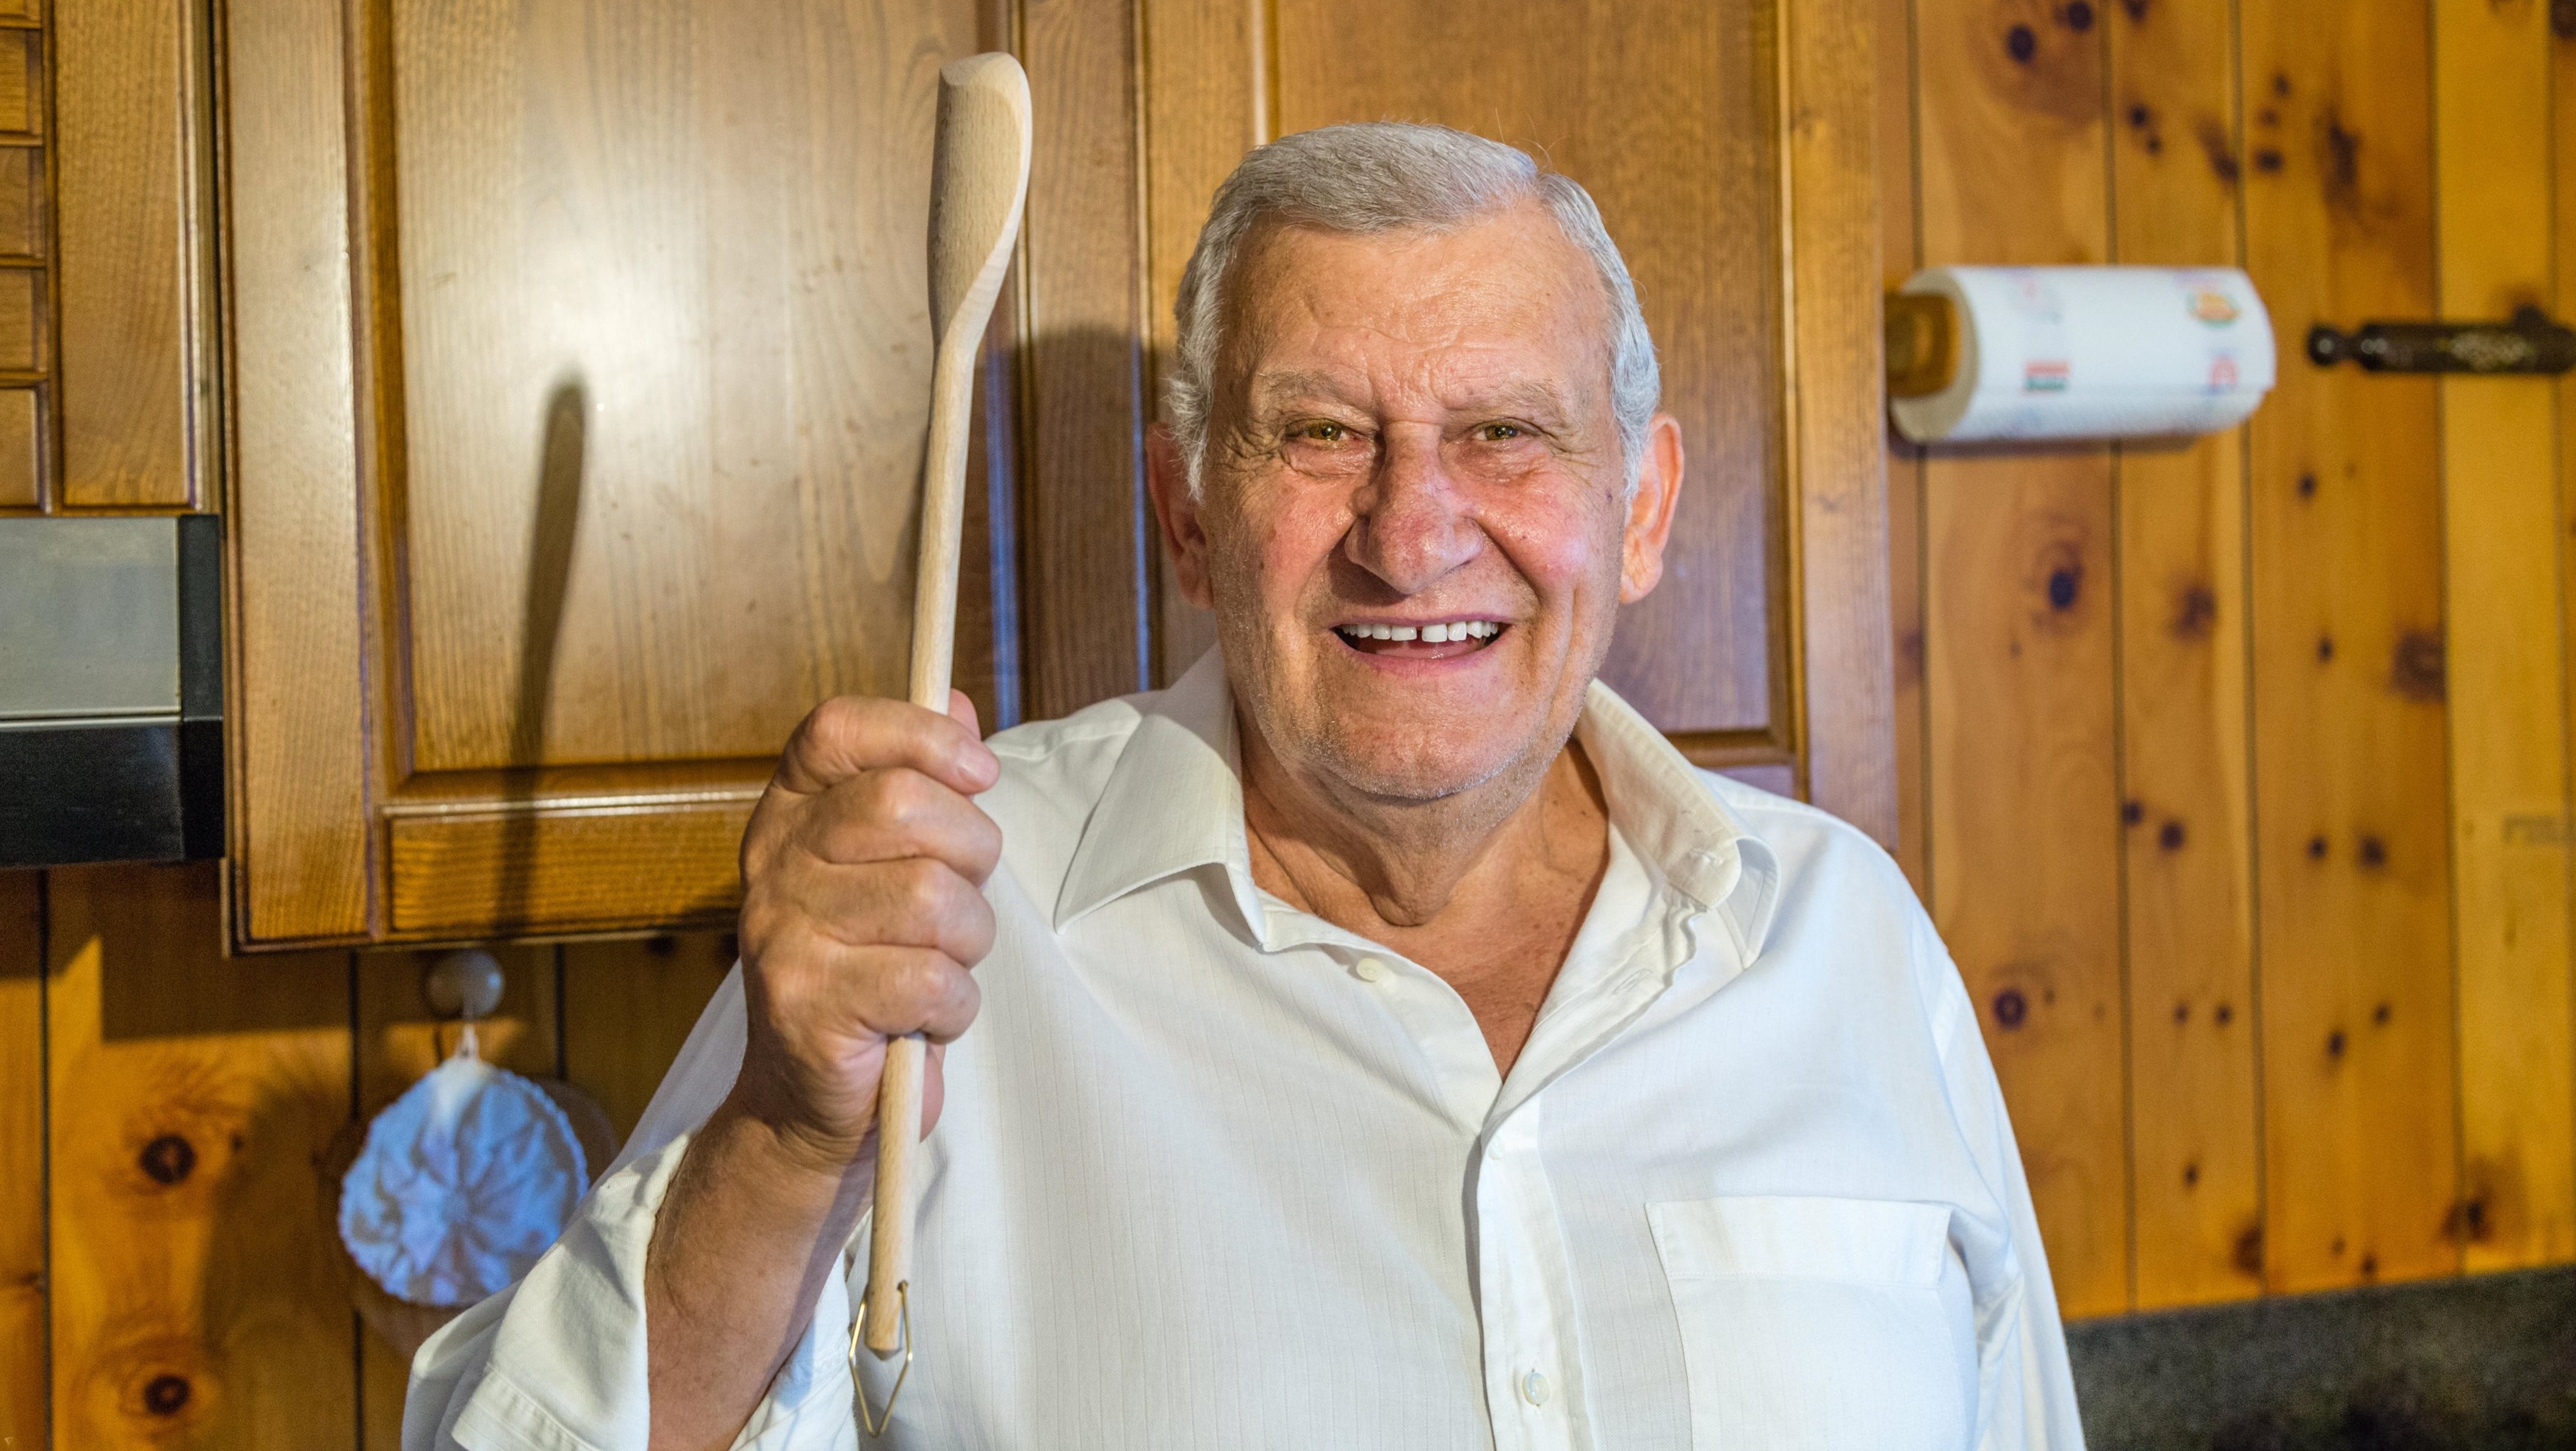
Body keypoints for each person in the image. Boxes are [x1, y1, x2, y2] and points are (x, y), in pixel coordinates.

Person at [408, 123, 2085, 1450]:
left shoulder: (1840, 937)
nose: (1412, 528)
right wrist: (782, 1136)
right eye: (1318, 434)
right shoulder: (936, 916)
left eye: (1504, 428)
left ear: (1637, 510)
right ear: (1190, 513)